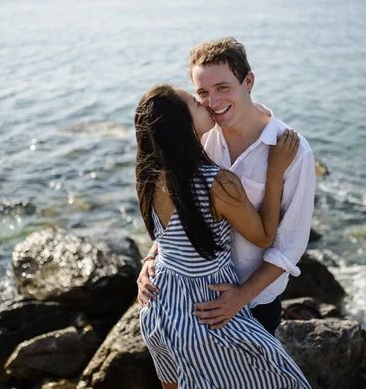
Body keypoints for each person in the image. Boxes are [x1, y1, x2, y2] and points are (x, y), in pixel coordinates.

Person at [135, 84, 311, 389]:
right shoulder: (217, 184)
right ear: (183, 124)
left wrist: (149, 258)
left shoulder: (149, 177)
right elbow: (266, 236)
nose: (204, 103)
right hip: (207, 310)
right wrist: (274, 172)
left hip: (158, 308)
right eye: (194, 101)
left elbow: (171, 235)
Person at [138, 37, 316, 335]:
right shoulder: (198, 137)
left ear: (248, 81)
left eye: (223, 88)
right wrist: (152, 257)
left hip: (255, 302)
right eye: (203, 93)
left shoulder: (293, 152)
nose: (214, 102)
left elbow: (289, 246)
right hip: (198, 299)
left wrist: (241, 297)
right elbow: (181, 210)